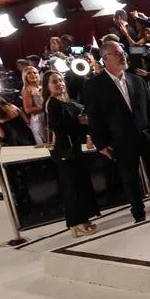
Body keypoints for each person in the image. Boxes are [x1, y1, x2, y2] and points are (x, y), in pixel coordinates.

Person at [85, 40, 150, 222]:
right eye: (117, 53)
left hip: (146, 134)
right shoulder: (94, 86)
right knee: (130, 178)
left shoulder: (136, 80)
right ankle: (138, 213)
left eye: (123, 52)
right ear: (105, 58)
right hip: (120, 138)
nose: (123, 55)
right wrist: (101, 144)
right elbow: (94, 116)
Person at [45, 71, 99, 237]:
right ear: (47, 86)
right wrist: (79, 121)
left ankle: (83, 218)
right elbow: (59, 127)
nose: (59, 84)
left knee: (81, 184)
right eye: (54, 82)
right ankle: (76, 223)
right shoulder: (52, 103)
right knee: (72, 187)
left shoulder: (68, 101)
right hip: (65, 151)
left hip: (75, 149)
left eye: (60, 80)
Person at [20, 66, 47, 144]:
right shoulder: (27, 89)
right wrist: (45, 107)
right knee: (46, 145)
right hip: (38, 122)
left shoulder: (41, 87)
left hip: (47, 118)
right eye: (29, 73)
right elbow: (28, 110)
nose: (33, 74)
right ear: (25, 77)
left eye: (35, 72)